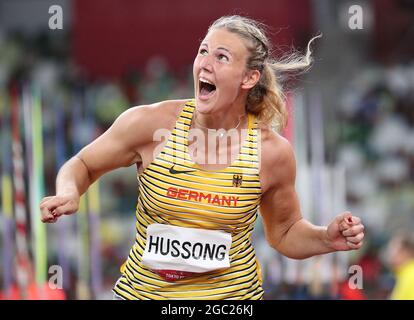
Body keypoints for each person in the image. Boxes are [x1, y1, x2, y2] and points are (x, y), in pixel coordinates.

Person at [40, 15, 365, 300]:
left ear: (249, 78)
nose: (205, 63)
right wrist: (70, 191)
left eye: (221, 57)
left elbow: (284, 232)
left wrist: (325, 237)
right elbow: (82, 164)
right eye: (203, 51)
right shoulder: (148, 124)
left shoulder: (272, 152)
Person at [387, 232, 414, 300]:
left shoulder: (410, 276)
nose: (391, 256)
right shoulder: (405, 275)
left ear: (406, 252)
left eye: (394, 251)